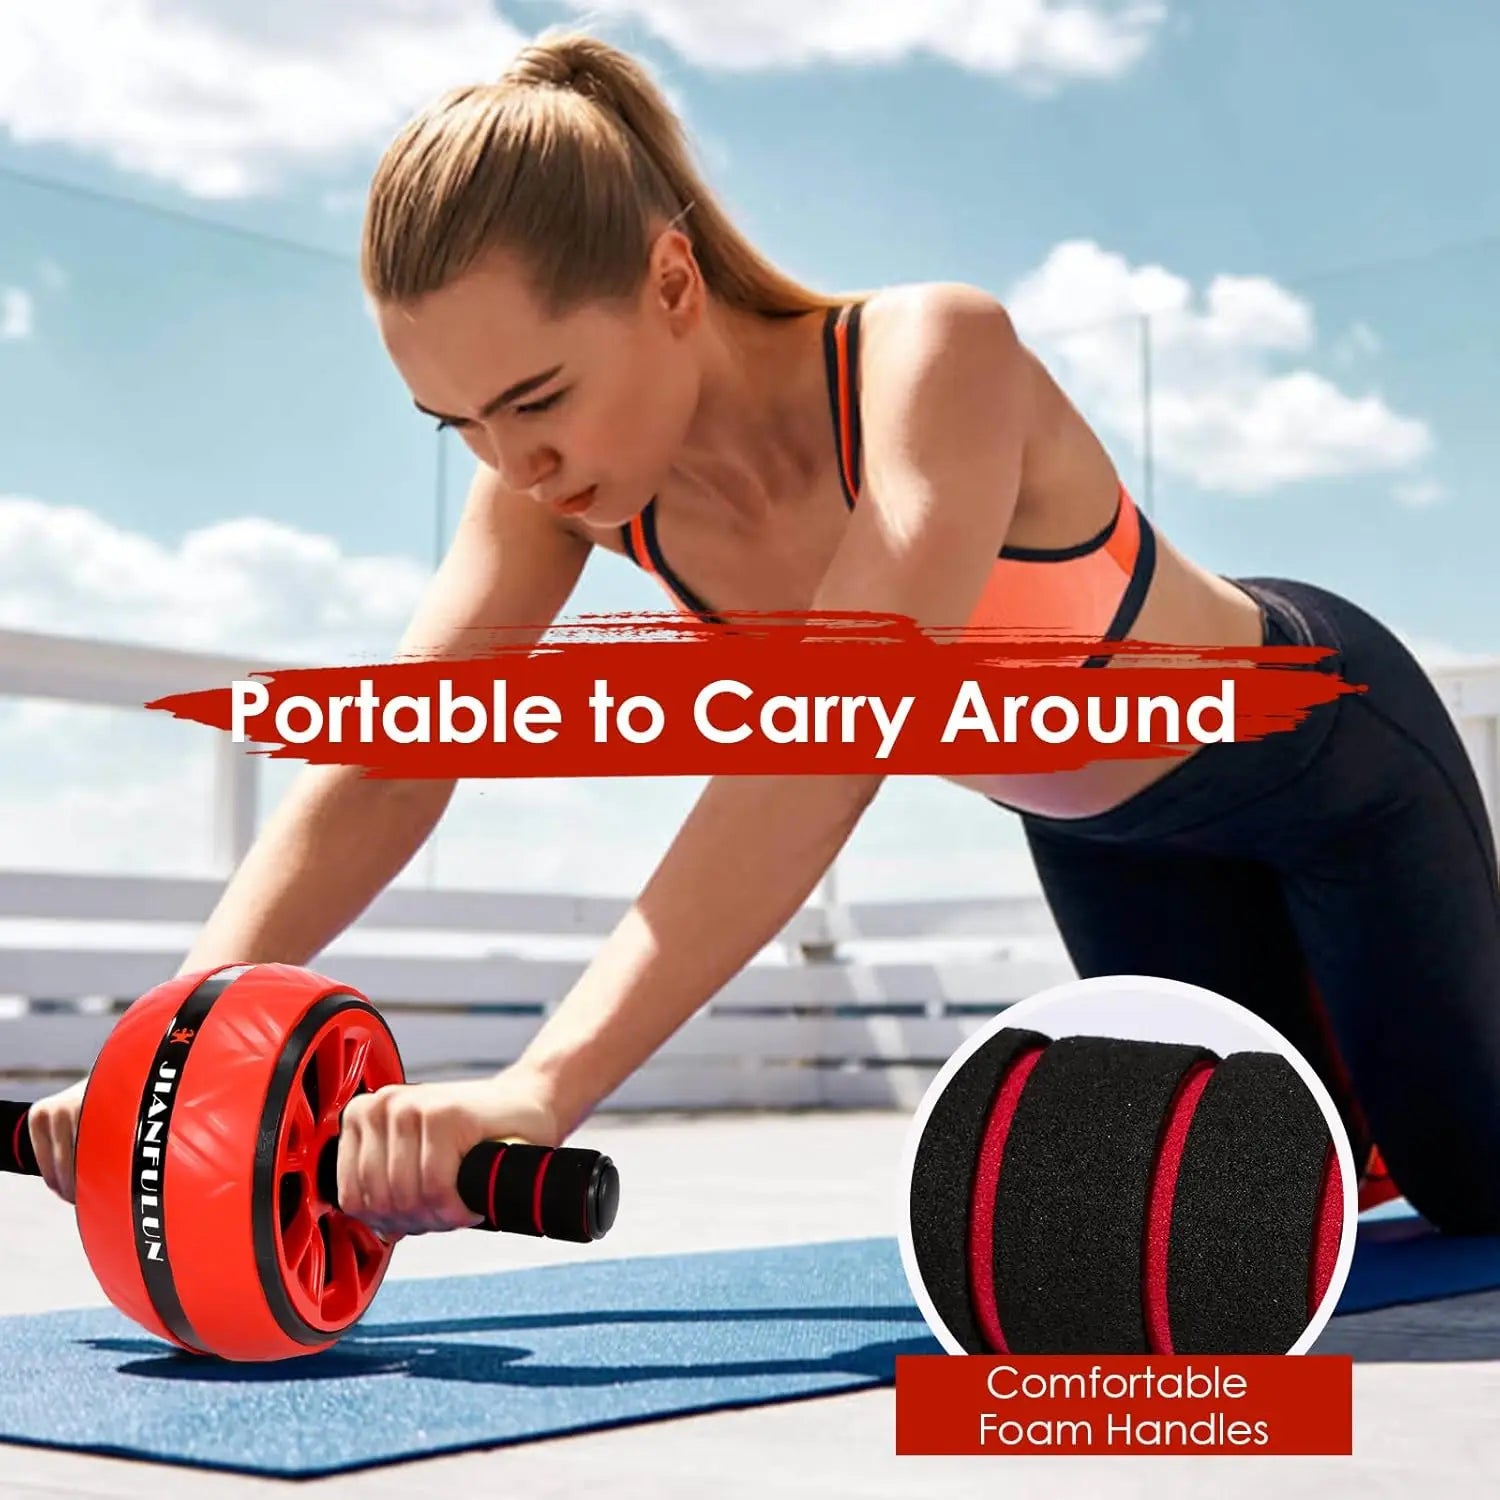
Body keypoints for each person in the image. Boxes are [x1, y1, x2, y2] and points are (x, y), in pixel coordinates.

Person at [26, 29, 1500, 1238]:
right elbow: (399, 757)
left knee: (1470, 1183)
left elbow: (826, 743)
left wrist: (542, 1085)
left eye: (535, 400)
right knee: (1267, 1207)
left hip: (1330, 771)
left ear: (670, 283)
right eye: (456, 425)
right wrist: (160, 1048)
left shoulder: (935, 359)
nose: (511, 463)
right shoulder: (559, 493)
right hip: (1110, 836)